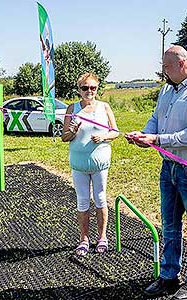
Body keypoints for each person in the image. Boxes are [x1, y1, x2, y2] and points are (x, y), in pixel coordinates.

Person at [125, 45, 187, 300]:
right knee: (169, 224)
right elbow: (156, 118)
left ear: (181, 64)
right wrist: (144, 134)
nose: (163, 71)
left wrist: (157, 139)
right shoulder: (167, 90)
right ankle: (169, 276)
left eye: (166, 66)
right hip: (169, 167)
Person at [62, 72, 119, 256]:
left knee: (101, 198)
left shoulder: (104, 107)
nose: (89, 91)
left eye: (93, 87)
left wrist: (104, 136)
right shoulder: (72, 109)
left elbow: (115, 132)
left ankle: (102, 238)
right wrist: (73, 130)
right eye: (85, 88)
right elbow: (65, 137)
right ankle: (84, 239)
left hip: (100, 163)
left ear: (97, 88)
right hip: (79, 163)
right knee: (82, 200)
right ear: (79, 90)